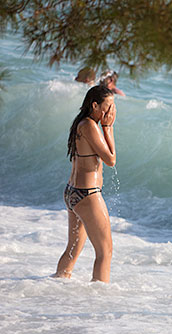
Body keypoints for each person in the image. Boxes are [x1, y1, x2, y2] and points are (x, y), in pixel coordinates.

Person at [54, 85, 116, 282]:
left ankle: (55, 284)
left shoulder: (81, 124)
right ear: (95, 105)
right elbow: (111, 159)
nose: (111, 112)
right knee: (105, 252)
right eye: (108, 107)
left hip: (74, 194)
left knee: (73, 248)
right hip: (87, 195)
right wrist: (108, 128)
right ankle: (100, 301)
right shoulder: (90, 125)